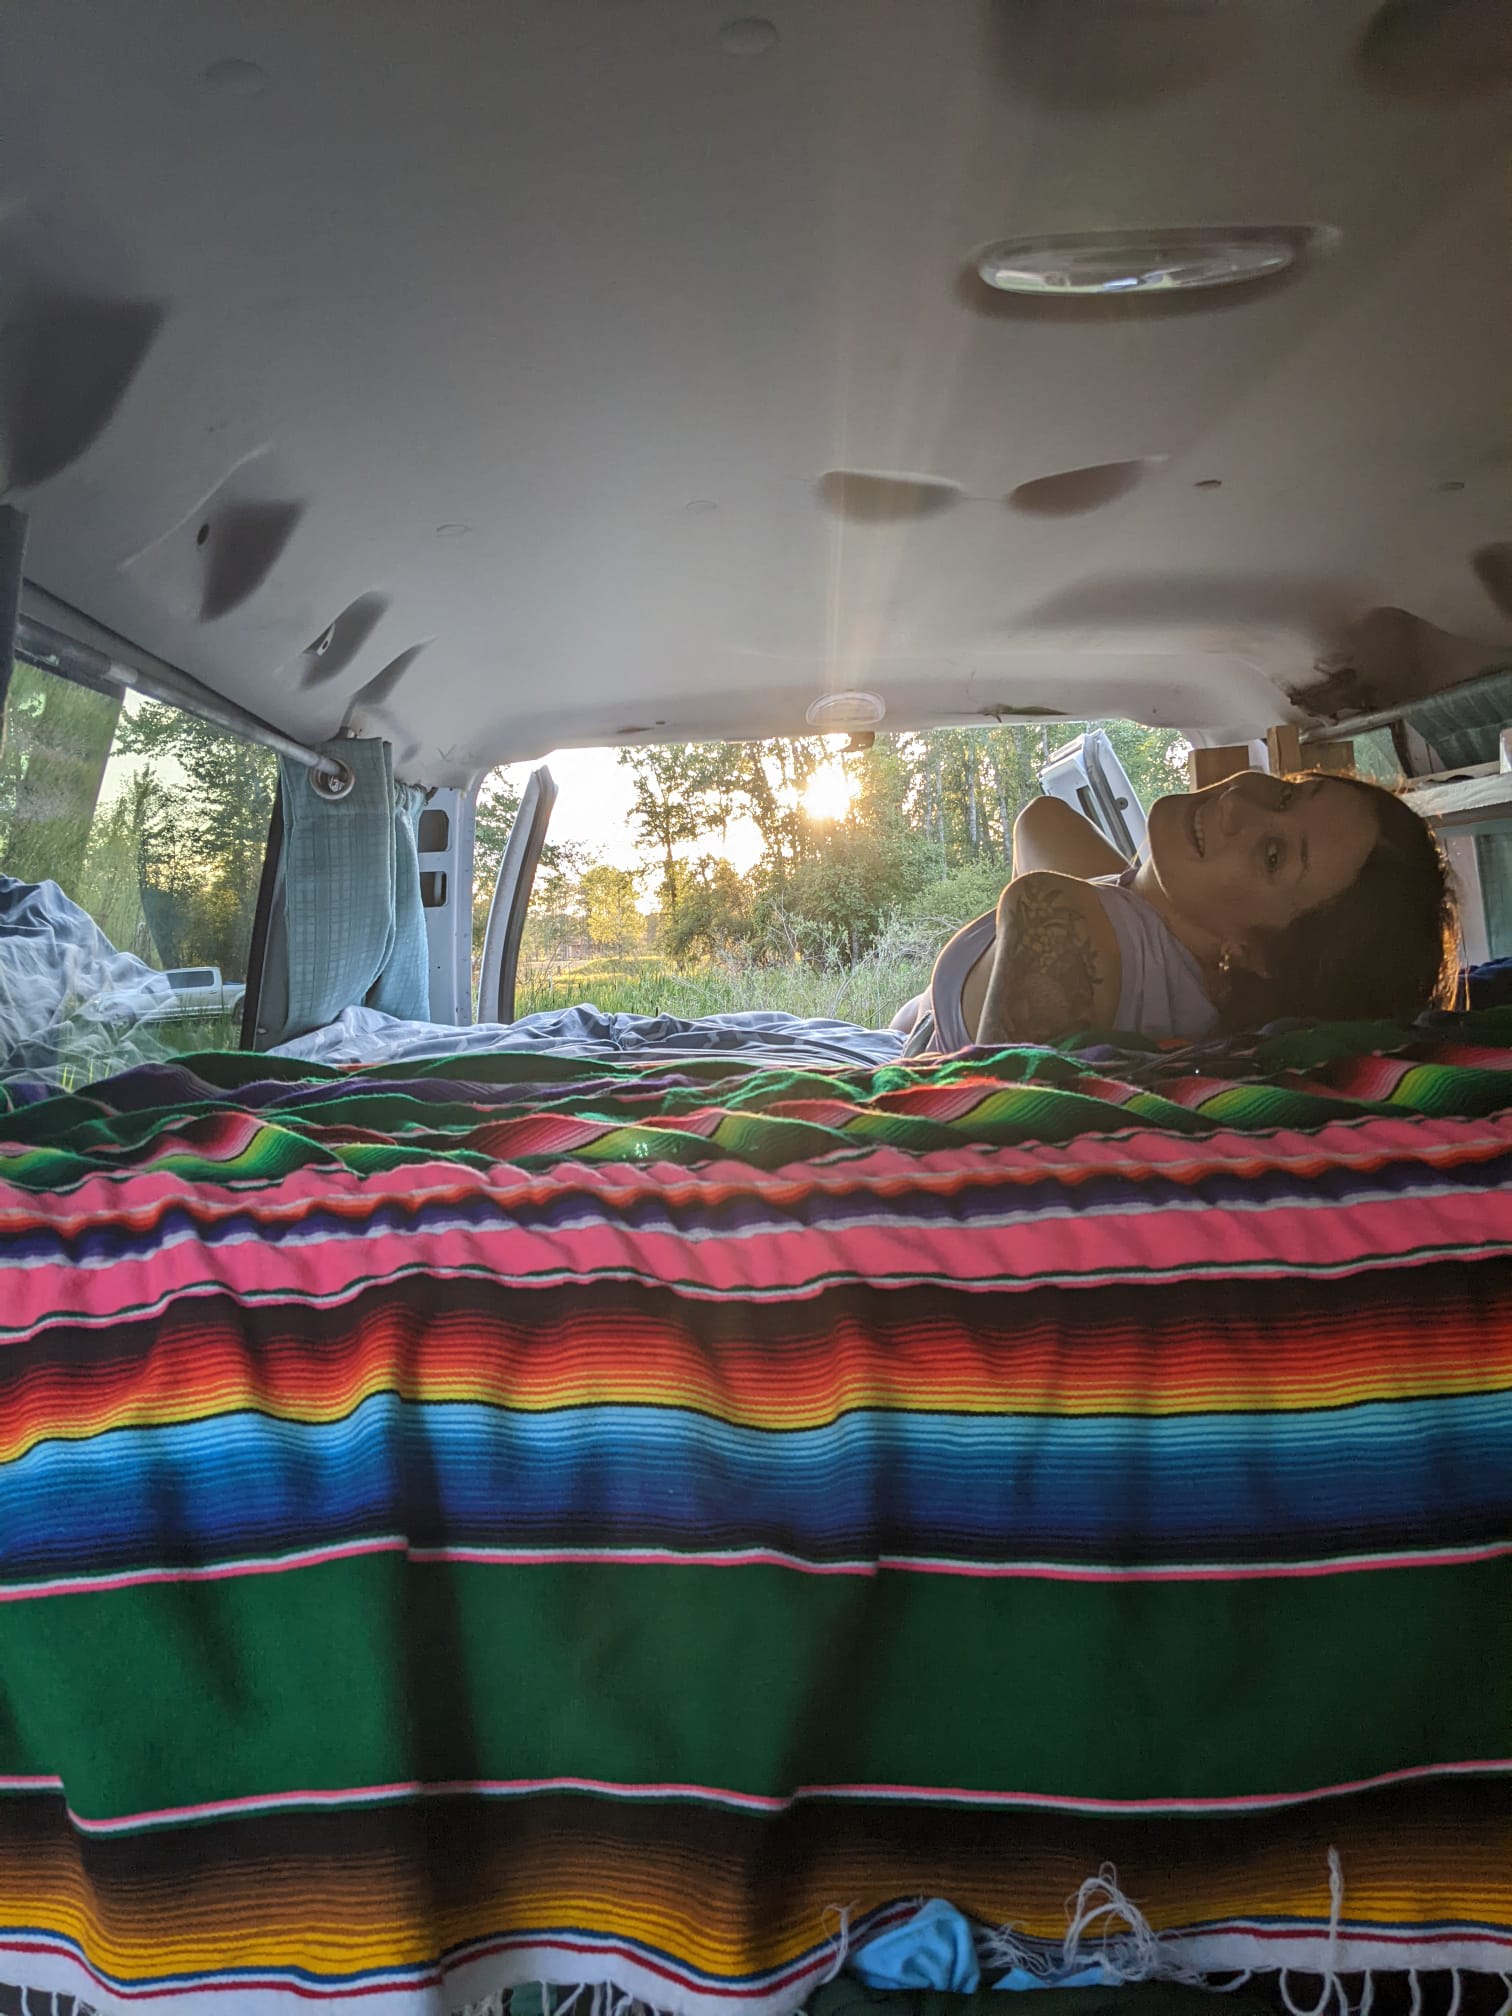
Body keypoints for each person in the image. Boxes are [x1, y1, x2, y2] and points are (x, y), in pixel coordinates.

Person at [892, 769, 1458, 1051]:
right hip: (1130, 908)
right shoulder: (1151, 944)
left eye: (1272, 855)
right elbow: (1041, 821)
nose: (1238, 803)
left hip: (910, 1042)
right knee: (1044, 816)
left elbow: (984, 1125)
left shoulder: (1064, 922)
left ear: (1255, 950)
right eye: (1285, 794)